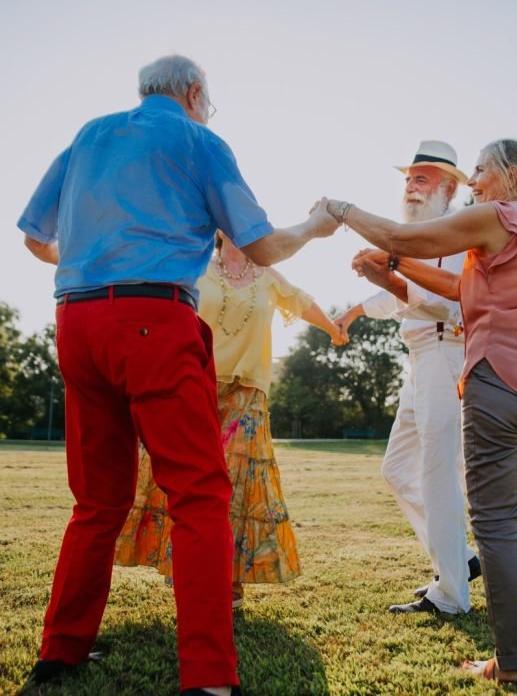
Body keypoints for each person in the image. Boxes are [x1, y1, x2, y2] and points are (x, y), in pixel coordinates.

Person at [18, 55, 339, 696]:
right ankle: (210, 677)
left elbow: (33, 236)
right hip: (152, 321)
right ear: (194, 93)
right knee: (198, 497)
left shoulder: (88, 135)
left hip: (76, 323)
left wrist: (87, 259)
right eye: (207, 102)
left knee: (98, 500)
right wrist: (315, 225)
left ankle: (60, 653)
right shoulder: (198, 139)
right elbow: (261, 245)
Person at [316, 139, 517, 691]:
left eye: (480, 170)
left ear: (509, 175)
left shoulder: (493, 215)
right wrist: (391, 273)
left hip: (499, 381)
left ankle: (510, 662)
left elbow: (398, 237)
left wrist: (342, 212)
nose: (476, 181)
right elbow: (460, 287)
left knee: (495, 526)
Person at [115, 231, 346, 608]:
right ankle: (186, 568)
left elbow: (301, 303)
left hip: (247, 393)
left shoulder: (268, 274)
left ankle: (231, 580)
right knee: (188, 480)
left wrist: (334, 330)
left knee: (236, 488)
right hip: (195, 385)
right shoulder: (198, 268)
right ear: (219, 228)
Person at [334, 141, 480, 615]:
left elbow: (453, 301)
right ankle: (460, 561)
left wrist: (390, 264)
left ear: (449, 187)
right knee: (396, 470)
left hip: (447, 353)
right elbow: (404, 297)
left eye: (422, 179)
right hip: (419, 359)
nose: (411, 187)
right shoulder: (416, 237)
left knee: (438, 474)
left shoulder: (458, 235)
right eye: (408, 179)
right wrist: (371, 283)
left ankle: (452, 593)